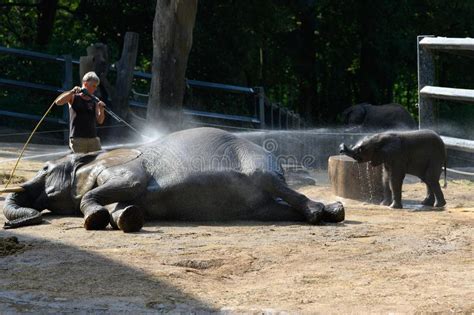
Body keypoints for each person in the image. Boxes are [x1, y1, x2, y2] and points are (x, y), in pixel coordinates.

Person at [55, 71, 106, 153]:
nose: (95, 89)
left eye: (96, 86)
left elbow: (100, 120)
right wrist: (71, 91)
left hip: (93, 139)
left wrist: (102, 110)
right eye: (93, 86)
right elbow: (58, 102)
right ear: (85, 84)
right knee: (79, 164)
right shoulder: (74, 96)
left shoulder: (95, 100)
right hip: (77, 140)